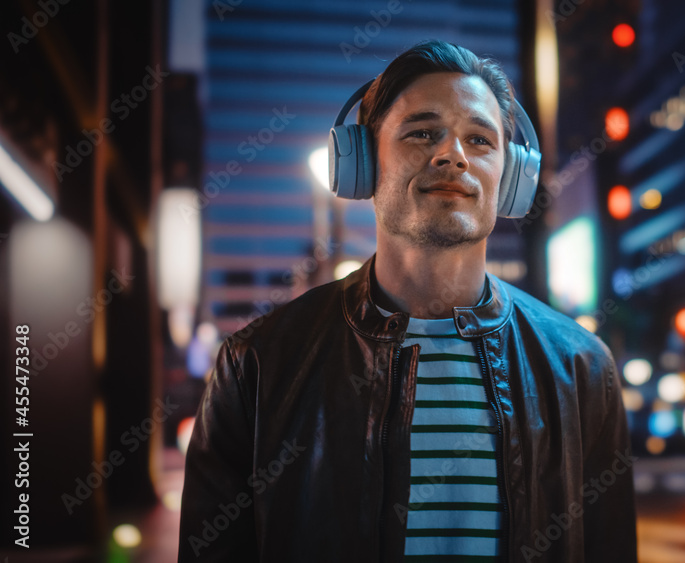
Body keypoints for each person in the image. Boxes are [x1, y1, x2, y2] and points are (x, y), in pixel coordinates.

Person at [179, 40, 636, 562]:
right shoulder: (257, 365)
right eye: (422, 132)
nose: (453, 155)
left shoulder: (580, 367)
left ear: (511, 177)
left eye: (480, 140)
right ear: (362, 161)